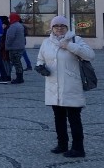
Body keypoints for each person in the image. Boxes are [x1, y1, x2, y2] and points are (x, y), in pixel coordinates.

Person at [36, 15, 94, 158]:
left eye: (62, 26)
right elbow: (40, 58)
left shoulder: (76, 40)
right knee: (58, 117)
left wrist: (69, 46)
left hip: (71, 86)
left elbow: (90, 55)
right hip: (53, 86)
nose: (59, 28)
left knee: (74, 118)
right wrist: (40, 67)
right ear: (52, 28)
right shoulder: (46, 42)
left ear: (67, 27)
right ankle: (62, 144)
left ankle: (78, 148)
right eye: (56, 26)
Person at [5, 13, 27, 84]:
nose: (8, 19)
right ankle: (20, 77)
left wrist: (7, 44)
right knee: (18, 62)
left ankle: (19, 78)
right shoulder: (20, 25)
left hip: (14, 47)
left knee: (16, 63)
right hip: (20, 47)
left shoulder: (13, 26)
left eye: (9, 17)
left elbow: (11, 37)